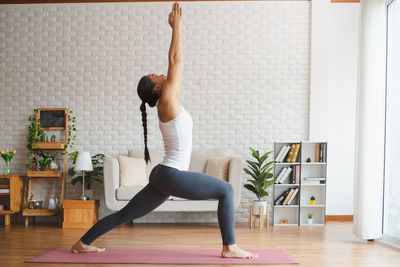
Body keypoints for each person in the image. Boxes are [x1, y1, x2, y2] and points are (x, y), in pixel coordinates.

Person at [71, 2, 257, 259]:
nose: (162, 74)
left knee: (127, 214)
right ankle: (230, 247)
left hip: (163, 176)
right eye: (156, 75)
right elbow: (175, 59)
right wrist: (177, 27)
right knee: (227, 190)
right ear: (157, 89)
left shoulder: (169, 102)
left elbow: (177, 66)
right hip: (169, 174)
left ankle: (83, 243)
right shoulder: (166, 103)